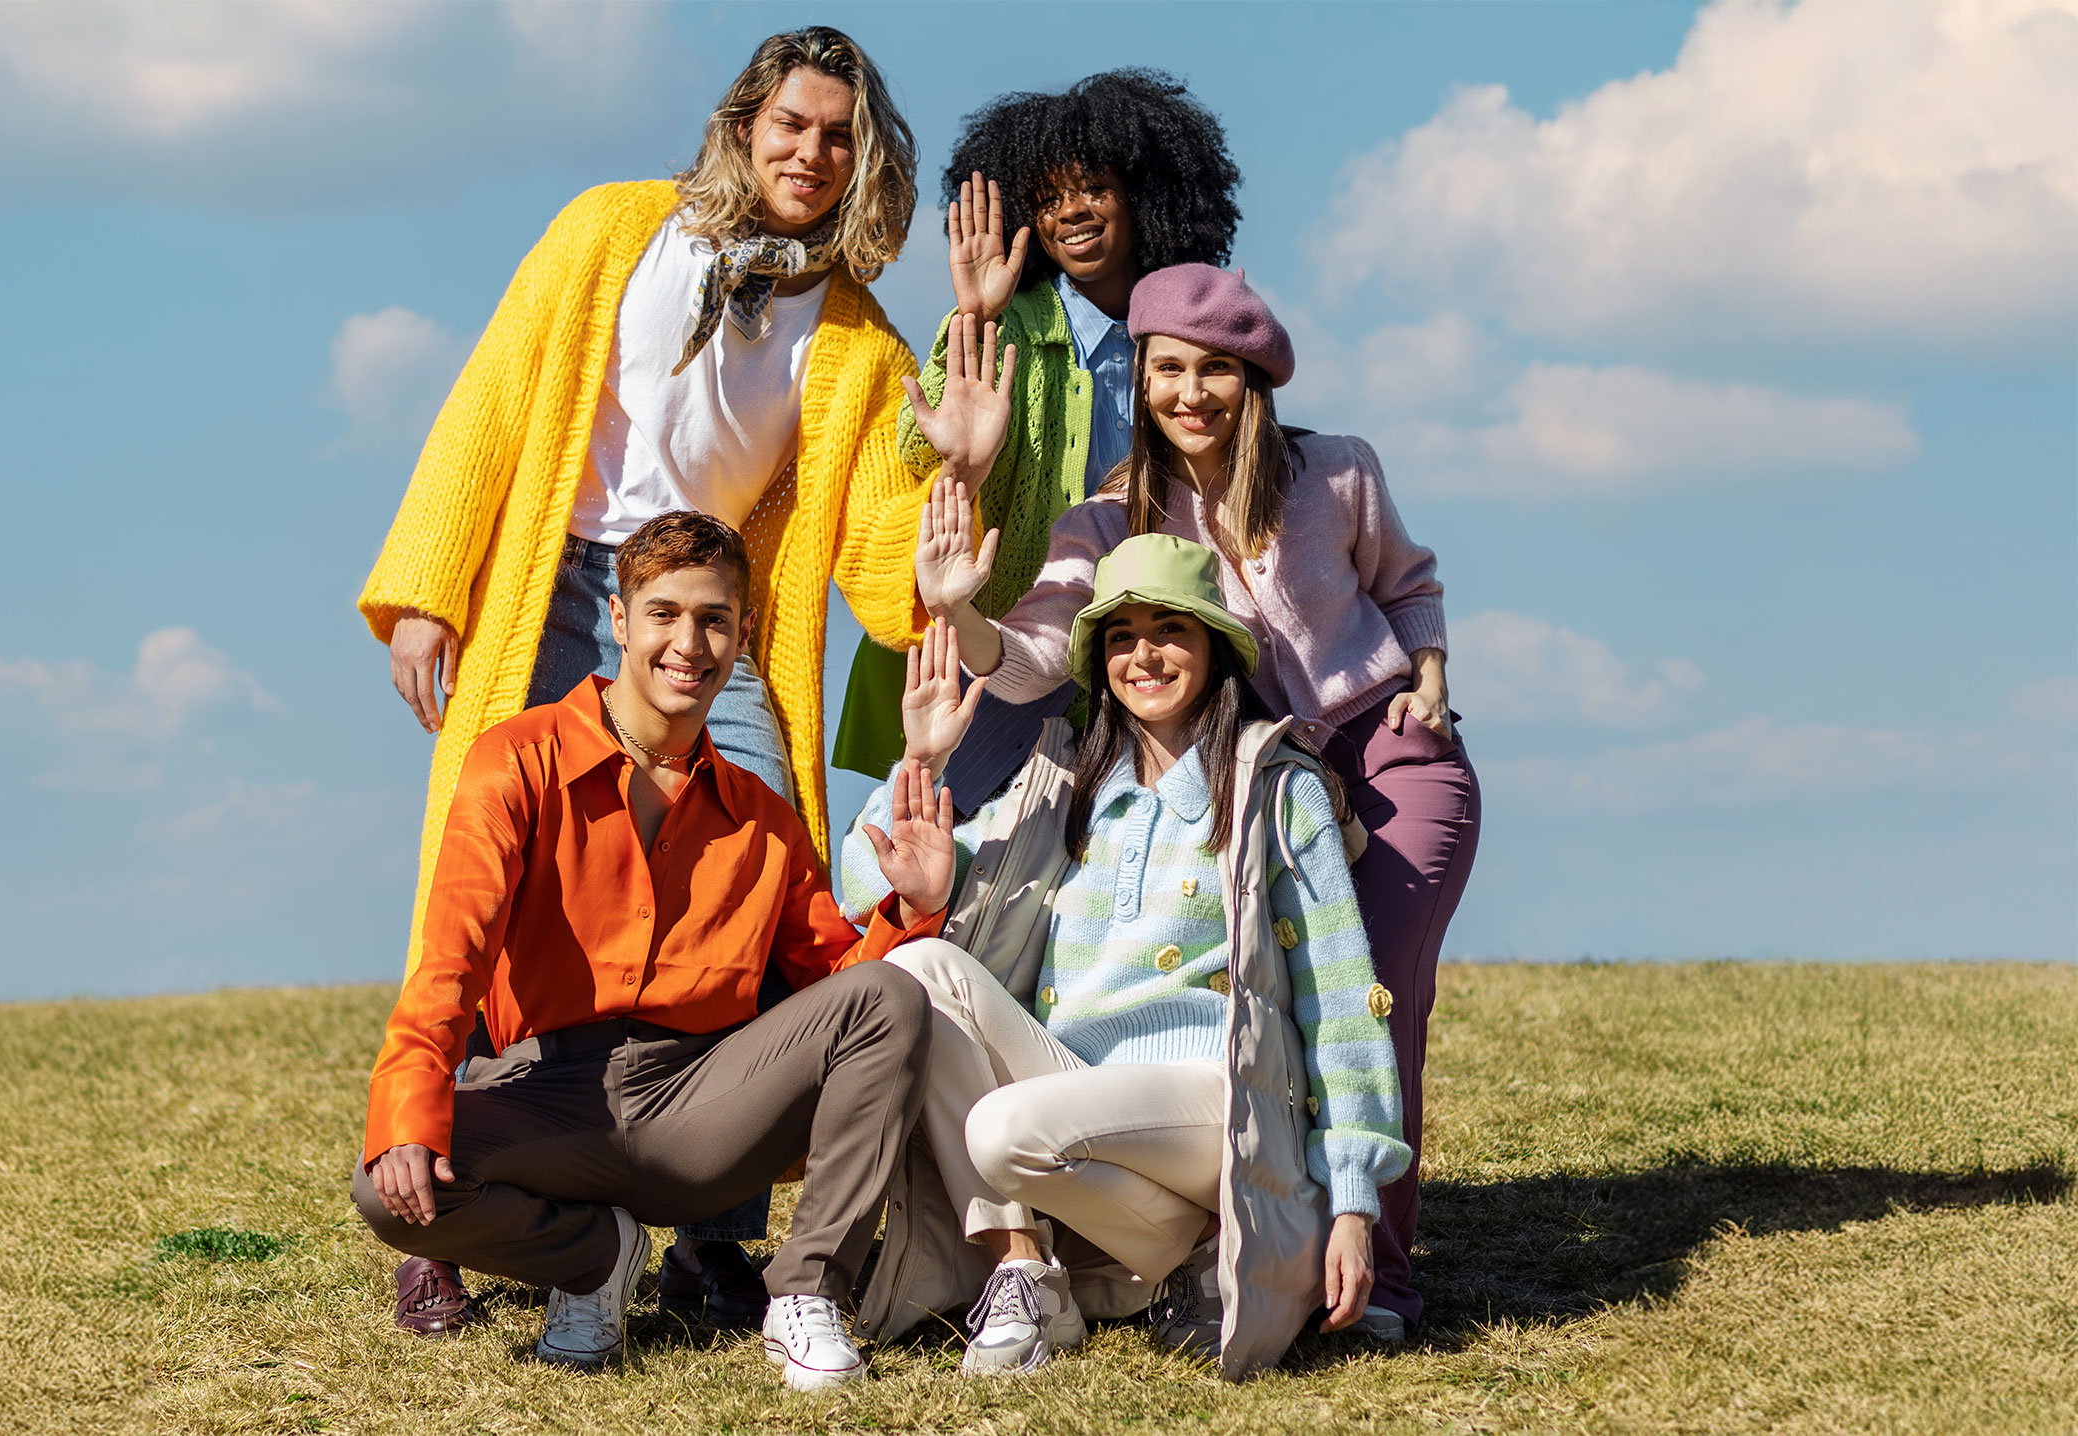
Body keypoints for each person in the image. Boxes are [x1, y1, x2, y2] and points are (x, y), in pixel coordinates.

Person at [358, 26, 935, 1322]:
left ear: (866, 161)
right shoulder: (613, 232)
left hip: (713, 619)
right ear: (743, 125)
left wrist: (960, 450)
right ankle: (442, 1219)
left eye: (839, 137)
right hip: (560, 585)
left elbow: (895, 565)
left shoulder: (856, 337)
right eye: (792, 124)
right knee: (494, 876)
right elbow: (495, 394)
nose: (811, 152)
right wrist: (426, 588)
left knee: (753, 875)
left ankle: (713, 1239)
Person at [917, 263, 1481, 1337]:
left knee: (1373, 997)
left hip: (1390, 749)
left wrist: (1433, 673)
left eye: (1214, 369)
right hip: (1264, 766)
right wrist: (965, 618)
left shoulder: (1338, 472)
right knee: (1281, 976)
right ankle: (1231, 1235)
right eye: (1167, 368)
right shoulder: (1111, 513)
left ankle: (1377, 1268)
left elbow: (1408, 585)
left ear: (1253, 379)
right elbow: (1038, 656)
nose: (1189, 392)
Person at [353, 512, 957, 1392]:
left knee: (890, 1000)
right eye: (665, 613)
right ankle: (595, 1256)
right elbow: (452, 957)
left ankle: (805, 1292)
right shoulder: (515, 761)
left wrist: (917, 907)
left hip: (701, 1109)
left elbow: (841, 983)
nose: (690, 642)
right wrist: (408, 1107)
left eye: (714, 619)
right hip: (550, 1095)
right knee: (387, 1187)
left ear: (743, 633)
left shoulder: (762, 817)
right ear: (619, 620)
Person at [836, 536, 1409, 1380]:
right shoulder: (1067, 786)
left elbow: (1338, 994)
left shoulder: (1277, 790)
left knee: (999, 1130)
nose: (1143, 654)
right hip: (1076, 1091)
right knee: (918, 975)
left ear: (1215, 648)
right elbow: (859, 876)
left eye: (1170, 628)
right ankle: (1027, 1271)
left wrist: (1354, 1205)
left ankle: (1219, 1249)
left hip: (1219, 1098)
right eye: (1119, 634)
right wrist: (923, 769)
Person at [831, 70, 1244, 797]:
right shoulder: (1011, 323)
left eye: (1092, 189)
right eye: (1048, 199)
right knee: (939, 859)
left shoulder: (1178, 335)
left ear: (1144, 192)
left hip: (1131, 648)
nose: (1070, 214)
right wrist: (974, 317)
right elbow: (918, 444)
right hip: (996, 639)